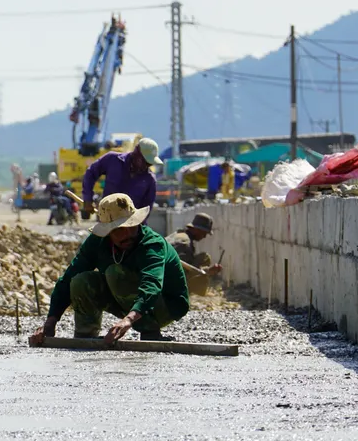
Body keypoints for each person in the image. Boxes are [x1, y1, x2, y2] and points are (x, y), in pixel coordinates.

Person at [30, 193, 190, 345]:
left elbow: (152, 285)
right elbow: (68, 278)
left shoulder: (152, 245)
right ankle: (85, 335)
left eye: (131, 225)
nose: (127, 233)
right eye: (119, 229)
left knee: (115, 274)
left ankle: (149, 329)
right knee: (80, 281)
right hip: (125, 299)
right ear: (107, 232)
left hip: (164, 305)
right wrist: (51, 321)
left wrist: (128, 320)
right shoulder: (97, 243)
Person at [81, 137, 161, 214]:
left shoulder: (150, 179)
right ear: (137, 155)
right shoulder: (112, 160)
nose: (147, 165)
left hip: (132, 224)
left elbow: (146, 210)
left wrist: (136, 225)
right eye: (146, 162)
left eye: (150, 163)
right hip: (107, 219)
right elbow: (90, 174)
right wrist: (88, 199)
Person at [167, 213, 222, 295]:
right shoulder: (185, 244)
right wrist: (208, 271)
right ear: (197, 229)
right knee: (205, 258)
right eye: (204, 233)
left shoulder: (178, 235)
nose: (204, 236)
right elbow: (180, 274)